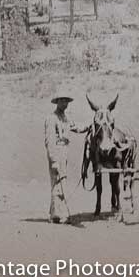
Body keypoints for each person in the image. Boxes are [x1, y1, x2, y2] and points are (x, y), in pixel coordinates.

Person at [44, 92, 82, 224]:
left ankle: (54, 214)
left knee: (60, 181)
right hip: (56, 152)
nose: (65, 104)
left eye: (67, 101)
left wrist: (90, 126)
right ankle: (62, 213)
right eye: (63, 101)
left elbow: (76, 127)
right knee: (58, 181)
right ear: (57, 102)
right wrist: (53, 159)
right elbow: (49, 141)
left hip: (64, 152)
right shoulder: (51, 118)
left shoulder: (65, 118)